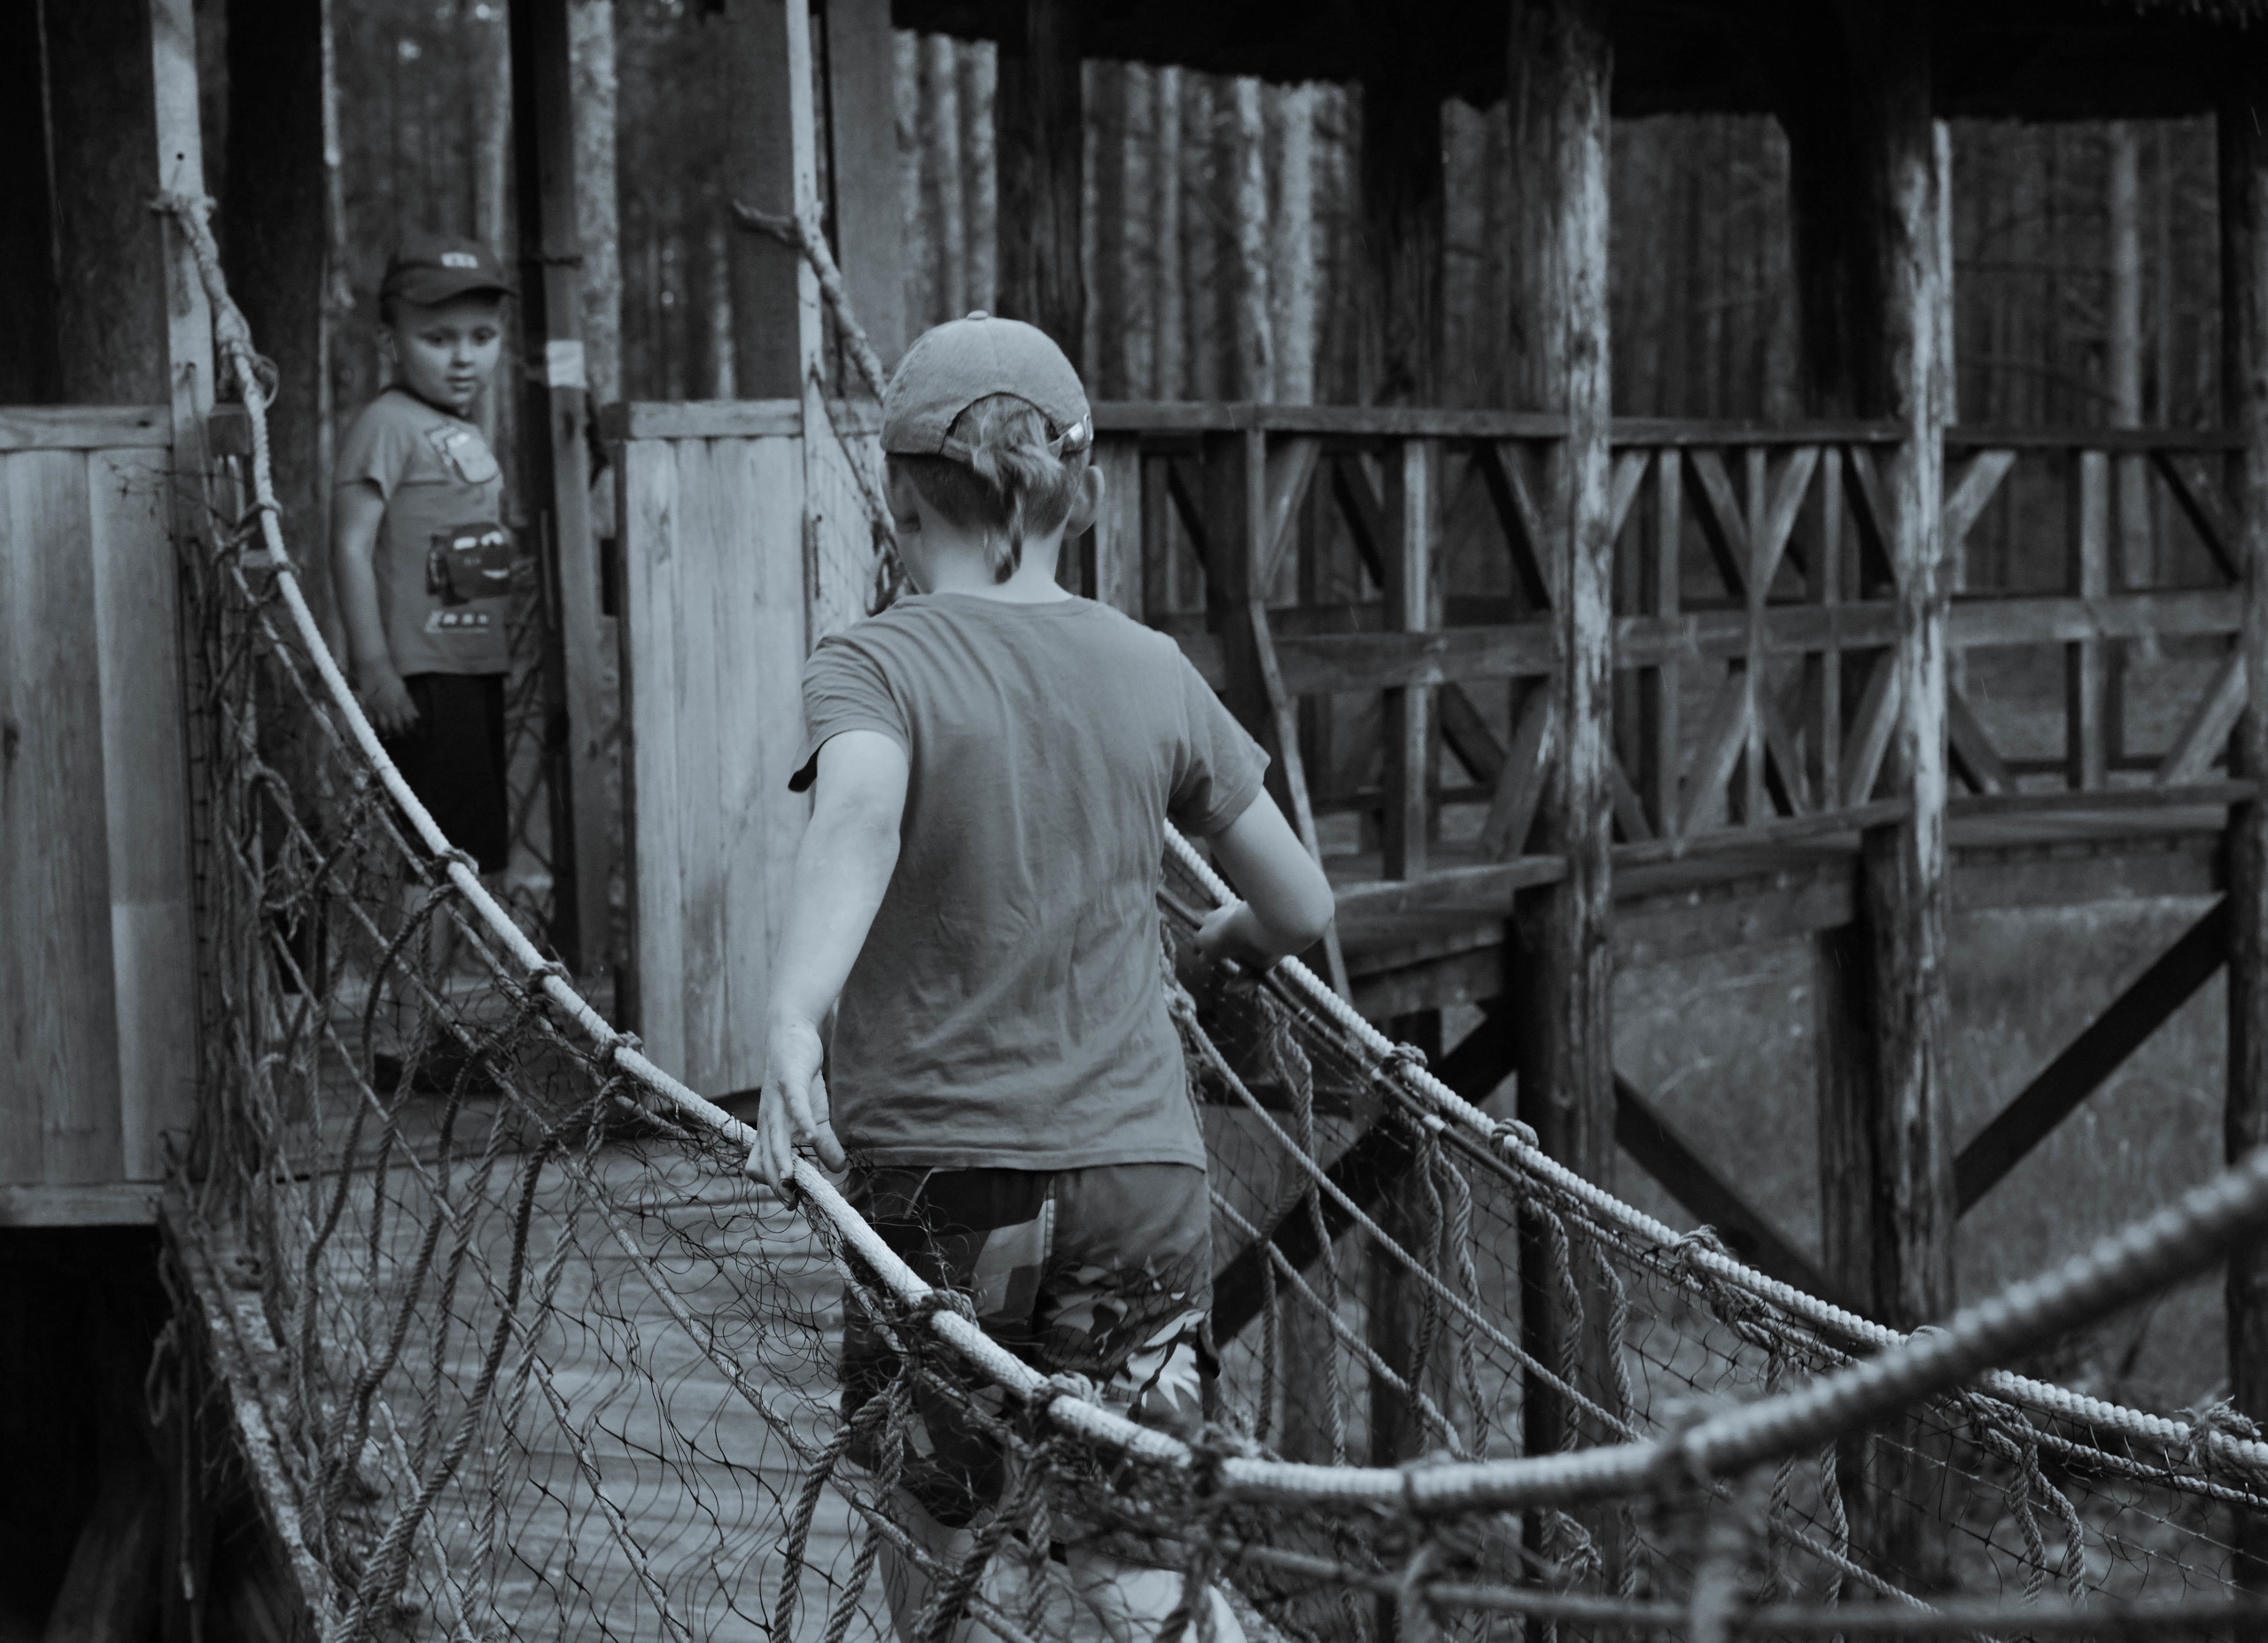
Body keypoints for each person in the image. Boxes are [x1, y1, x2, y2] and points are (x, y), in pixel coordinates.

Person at [746, 313, 1338, 1643]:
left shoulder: (875, 661)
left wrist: (794, 1014)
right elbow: (1301, 904)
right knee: (1133, 1552)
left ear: (896, 502)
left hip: (943, 1184)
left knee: (938, 1534)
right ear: (1087, 490)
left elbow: (860, 814)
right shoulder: (1153, 671)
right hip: (1138, 1181)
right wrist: (1229, 940)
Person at [331, 234, 517, 1089]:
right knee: (428, 862)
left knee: (463, 859)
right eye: (439, 339)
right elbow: (350, 543)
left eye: (482, 336)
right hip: (420, 680)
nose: (464, 356)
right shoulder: (386, 425)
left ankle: (429, 1031)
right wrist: (374, 664)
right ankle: (402, 1046)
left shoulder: (458, 429)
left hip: (473, 670)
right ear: (391, 342)